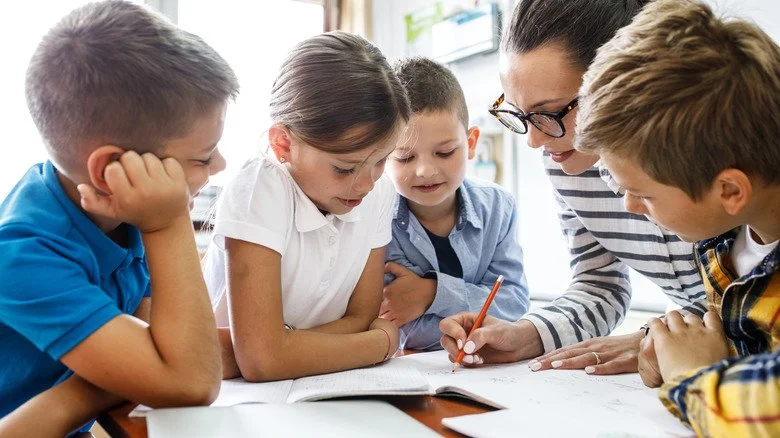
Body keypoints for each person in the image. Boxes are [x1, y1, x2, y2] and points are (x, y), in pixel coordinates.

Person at [0, 1, 238, 435]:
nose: (220, 165)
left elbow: (170, 352)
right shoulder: (22, 255)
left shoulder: (121, 213)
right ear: (112, 169)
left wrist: (78, 397)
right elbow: (192, 380)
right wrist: (168, 225)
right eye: (202, 157)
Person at [439, 0, 706, 375]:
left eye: (549, 112)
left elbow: (752, 296)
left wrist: (655, 335)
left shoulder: (717, 149)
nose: (533, 141)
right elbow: (600, 283)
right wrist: (526, 334)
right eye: (518, 113)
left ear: (626, 77)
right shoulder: (564, 158)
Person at [576, 0, 780, 435]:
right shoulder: (724, 240)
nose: (629, 206)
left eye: (641, 194)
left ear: (728, 191)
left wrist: (691, 377)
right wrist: (674, 343)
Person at [204, 31, 409, 381]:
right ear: (283, 144)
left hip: (317, 387)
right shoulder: (261, 187)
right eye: (344, 168)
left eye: (382, 161)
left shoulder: (379, 192)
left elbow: (360, 316)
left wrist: (277, 348)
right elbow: (262, 360)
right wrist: (381, 344)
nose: (366, 183)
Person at [382, 57, 529, 351]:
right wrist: (476, 313)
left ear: (471, 143)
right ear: (382, 154)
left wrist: (433, 293)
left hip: (486, 367)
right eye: (405, 157)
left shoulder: (498, 207)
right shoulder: (378, 217)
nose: (425, 171)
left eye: (445, 152)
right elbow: (398, 324)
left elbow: (514, 303)